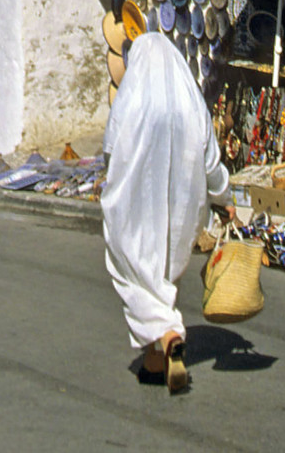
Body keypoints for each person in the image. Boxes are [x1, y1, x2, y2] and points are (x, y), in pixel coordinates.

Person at [101, 29, 233, 392]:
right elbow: (210, 161)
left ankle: (169, 332)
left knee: (131, 270)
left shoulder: (133, 95)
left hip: (136, 204)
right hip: (180, 207)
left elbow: (111, 147)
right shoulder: (188, 100)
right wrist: (226, 198)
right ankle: (156, 360)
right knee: (159, 275)